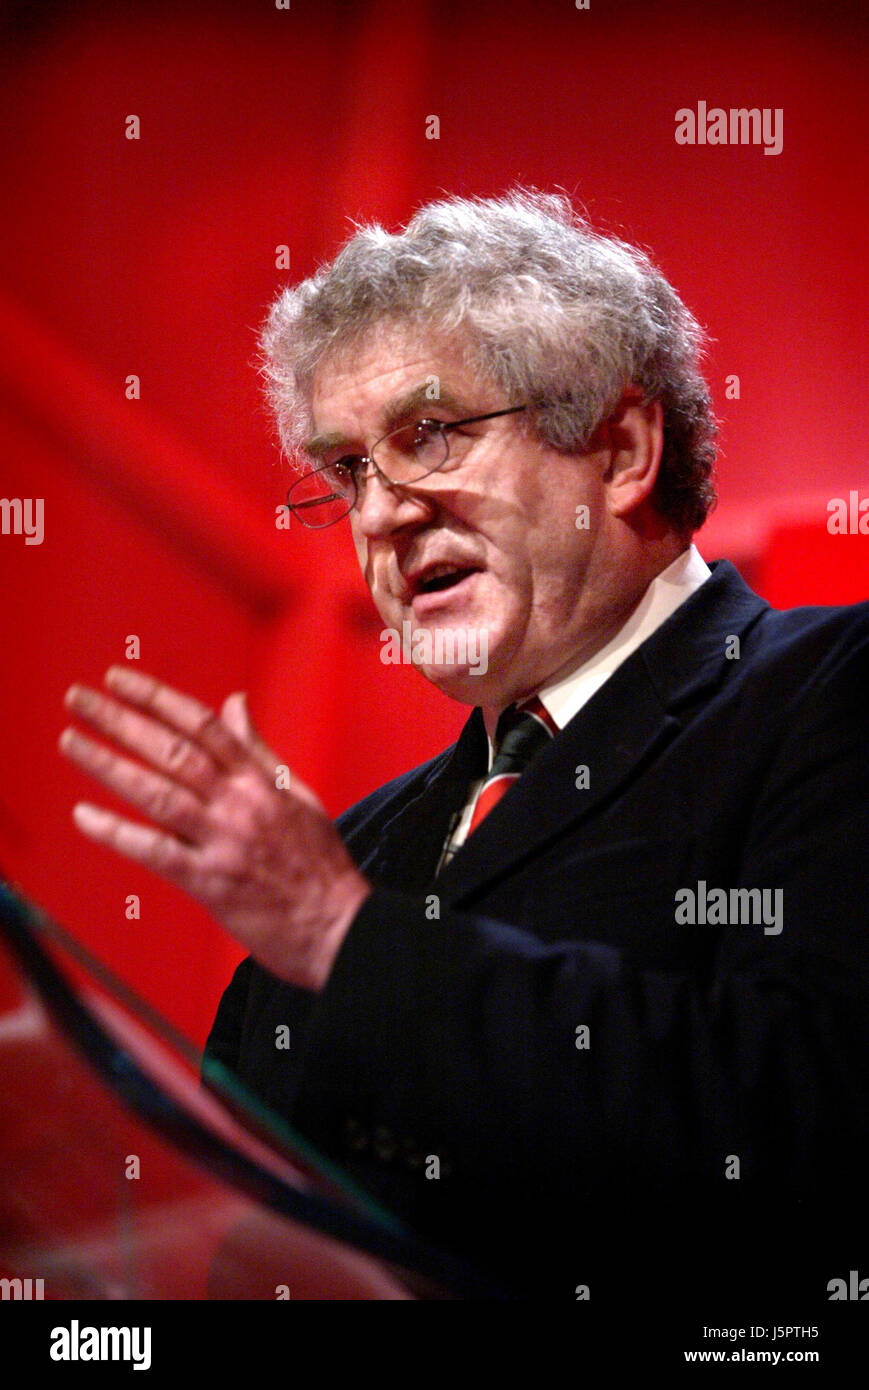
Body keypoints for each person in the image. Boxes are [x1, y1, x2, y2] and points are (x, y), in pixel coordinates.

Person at [60, 191, 868, 1306]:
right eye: (347, 471)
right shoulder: (344, 849)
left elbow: (807, 1120)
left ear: (622, 449)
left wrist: (344, 939)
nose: (381, 515)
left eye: (427, 435)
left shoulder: (828, 691)